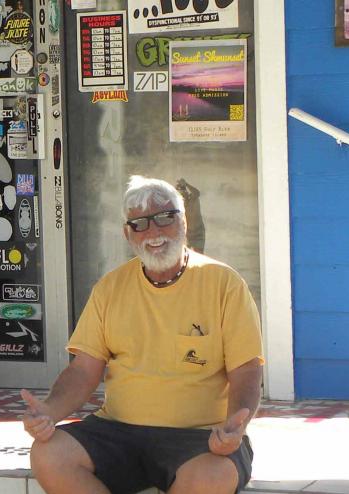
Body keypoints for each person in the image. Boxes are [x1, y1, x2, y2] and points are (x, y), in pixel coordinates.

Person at [22, 176, 263, 494]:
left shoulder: (224, 284)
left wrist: (236, 425)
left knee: (212, 476)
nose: (154, 233)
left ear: (184, 220)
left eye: (165, 217)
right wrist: (49, 412)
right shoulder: (110, 287)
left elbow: (247, 370)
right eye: (140, 224)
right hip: (118, 431)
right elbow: (83, 370)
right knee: (48, 453)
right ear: (127, 233)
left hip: (199, 436)